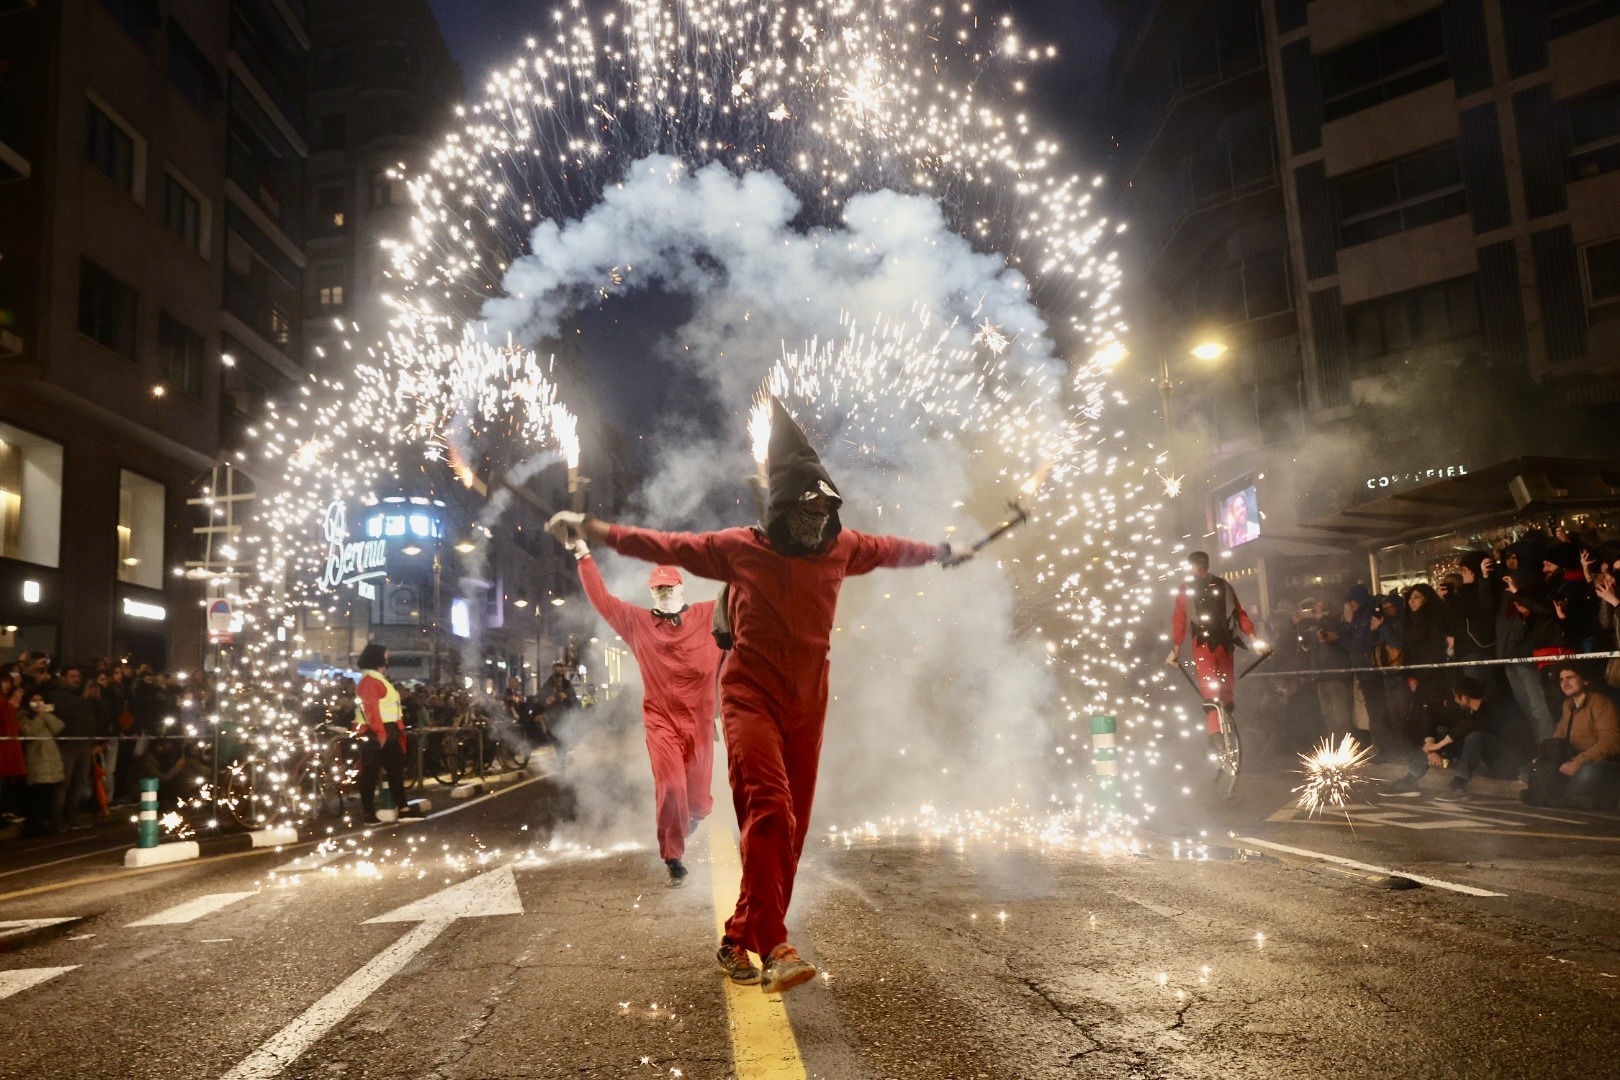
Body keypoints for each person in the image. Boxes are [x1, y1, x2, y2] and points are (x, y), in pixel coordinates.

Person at [546, 396, 973, 994]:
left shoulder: (843, 546)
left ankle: (737, 938)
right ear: (785, 507)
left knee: (788, 834)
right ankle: (775, 948)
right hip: (749, 698)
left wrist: (942, 552)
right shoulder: (739, 548)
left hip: (810, 702)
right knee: (769, 811)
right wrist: (593, 531)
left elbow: (893, 549)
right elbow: (665, 544)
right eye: (810, 509)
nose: (819, 521)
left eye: (828, 509)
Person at [566, 540, 723, 888]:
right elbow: (603, 600)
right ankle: (673, 856)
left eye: (669, 586)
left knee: (697, 802)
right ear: (651, 592)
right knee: (669, 786)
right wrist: (582, 555)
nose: (664, 591)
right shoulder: (637, 623)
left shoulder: (709, 614)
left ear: (681, 586)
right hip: (661, 720)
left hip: (699, 722)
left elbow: (745, 593)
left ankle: (691, 816)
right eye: (658, 588)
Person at [1165, 550, 1256, 743]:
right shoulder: (1225, 585)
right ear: (1208, 565)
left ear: (1190, 566)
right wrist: (1254, 638)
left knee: (1209, 686)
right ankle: (1228, 723)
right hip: (1225, 643)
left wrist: (1176, 649)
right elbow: (1240, 614)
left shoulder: (1185, 589)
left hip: (1203, 644)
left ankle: (1215, 734)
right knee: (1225, 684)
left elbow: (1179, 621)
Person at [1522, 664, 1620, 809]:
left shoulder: (1601, 703)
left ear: (1585, 681)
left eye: (1570, 678)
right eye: (1561, 680)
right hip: (1570, 759)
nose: (1565, 683)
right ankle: (1568, 798)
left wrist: (1579, 761)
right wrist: (1544, 758)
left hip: (1595, 762)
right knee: (1529, 769)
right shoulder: (1567, 705)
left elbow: (1611, 742)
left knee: (1587, 773)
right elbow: (1557, 738)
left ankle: (1557, 798)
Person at [1426, 676, 1532, 801]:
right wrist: (1430, 746)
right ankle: (1411, 778)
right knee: (1442, 731)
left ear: (1465, 697)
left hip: (1506, 764)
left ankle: (1459, 783)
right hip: (1488, 761)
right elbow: (1441, 721)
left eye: (1456, 697)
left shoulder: (1490, 708)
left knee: (1475, 736)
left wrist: (1437, 746)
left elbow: (1464, 728)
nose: (1454, 700)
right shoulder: (1470, 711)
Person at [352, 643, 412, 825]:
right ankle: (371, 813)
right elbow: (371, 709)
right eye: (386, 656)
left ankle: (402, 809)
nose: (388, 659)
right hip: (378, 731)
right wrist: (381, 732)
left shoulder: (376, 679)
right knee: (372, 773)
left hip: (385, 730)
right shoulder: (371, 681)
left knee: (392, 771)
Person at [18, 690, 64, 836]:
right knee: (37, 796)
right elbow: (29, 731)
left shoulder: (46, 715)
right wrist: (39, 715)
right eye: (34, 700)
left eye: (41, 700)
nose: (38, 703)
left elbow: (59, 727)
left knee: (48, 796)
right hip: (36, 759)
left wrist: (44, 713)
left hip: (52, 760)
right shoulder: (23, 716)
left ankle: (44, 824)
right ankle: (33, 827)